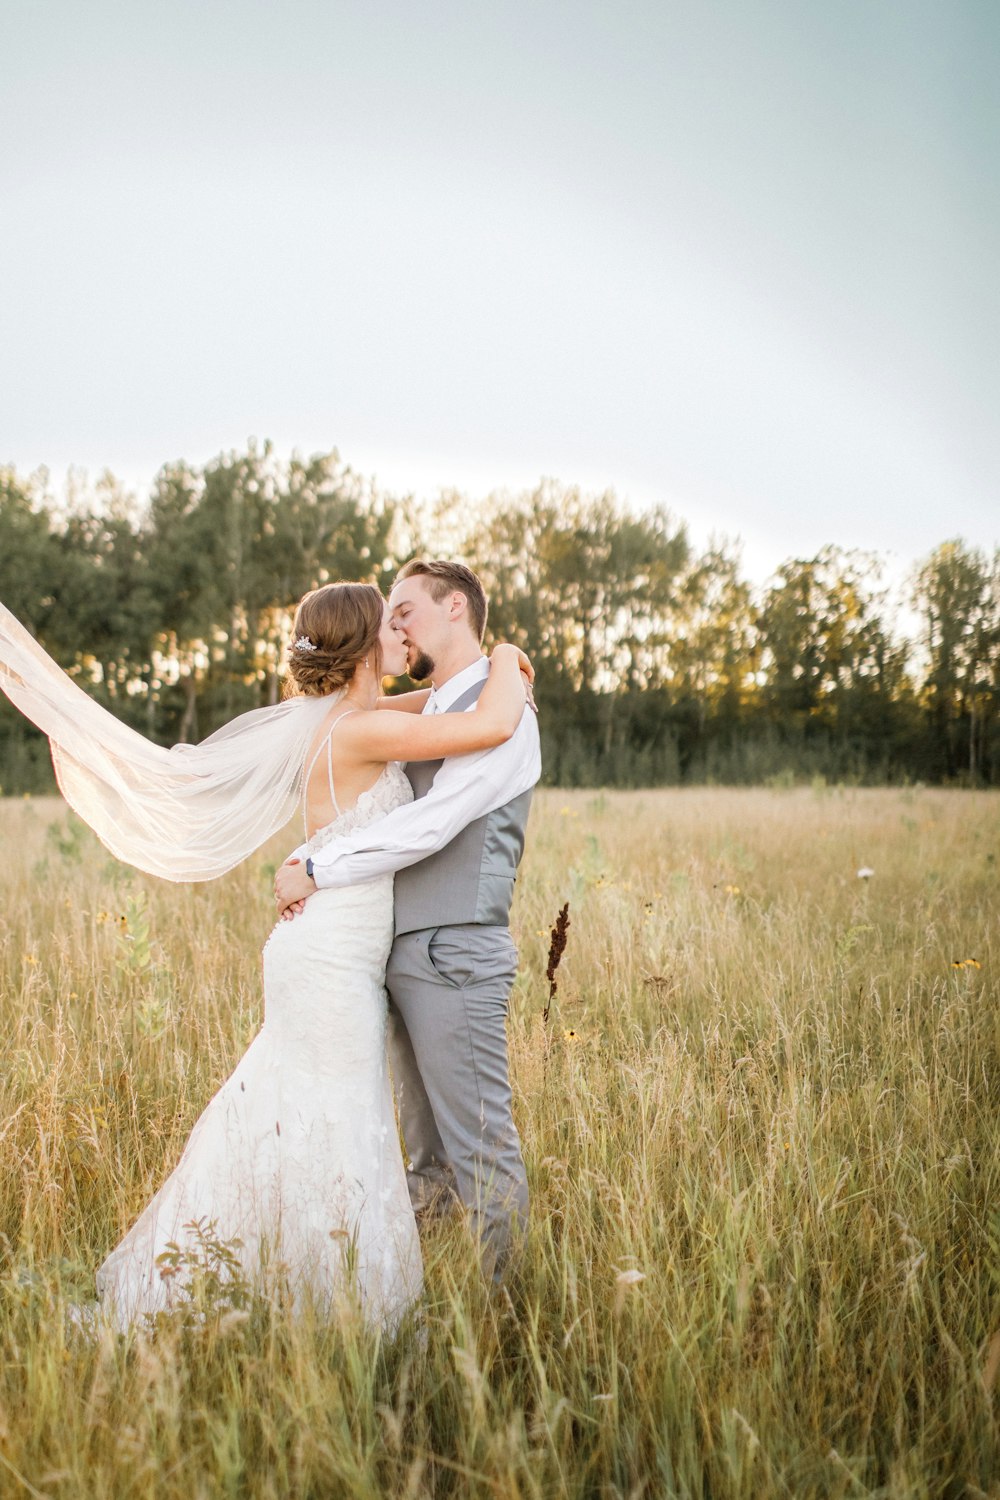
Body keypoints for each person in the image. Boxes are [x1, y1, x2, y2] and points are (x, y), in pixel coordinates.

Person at [0, 583, 532, 1328]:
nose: (399, 633)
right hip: (330, 957)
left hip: (327, 950)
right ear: (361, 648)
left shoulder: (356, 720)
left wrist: (476, 663)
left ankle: (290, 1280)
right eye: (389, 623)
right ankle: (325, 1299)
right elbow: (491, 722)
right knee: (332, 1117)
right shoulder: (355, 732)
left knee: (309, 1111)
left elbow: (448, 705)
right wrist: (507, 652)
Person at [275, 561, 541, 1281]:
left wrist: (316, 867)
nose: (395, 626)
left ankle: (507, 1317)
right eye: (386, 617)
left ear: (456, 607)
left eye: (405, 610)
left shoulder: (504, 713)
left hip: (454, 952)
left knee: (480, 1151)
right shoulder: (421, 713)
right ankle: (405, 1295)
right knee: (423, 1159)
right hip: (389, 954)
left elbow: (432, 823)